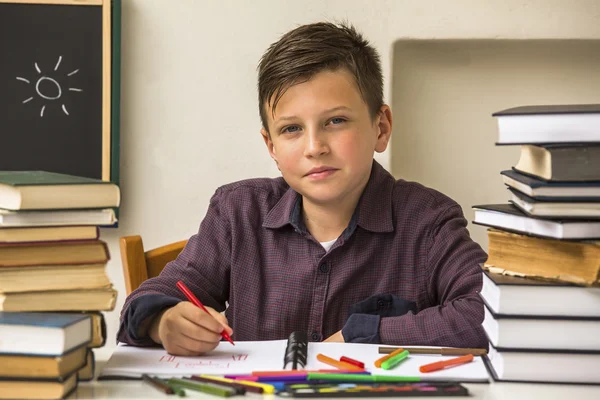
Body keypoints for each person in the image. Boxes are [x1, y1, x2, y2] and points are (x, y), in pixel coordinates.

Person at [118, 21, 488, 356]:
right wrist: (162, 321)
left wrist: (366, 333)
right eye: (292, 129)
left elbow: (488, 316)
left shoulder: (429, 221)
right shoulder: (237, 213)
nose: (315, 147)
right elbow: (144, 302)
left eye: (336, 121)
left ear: (381, 127)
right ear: (271, 146)